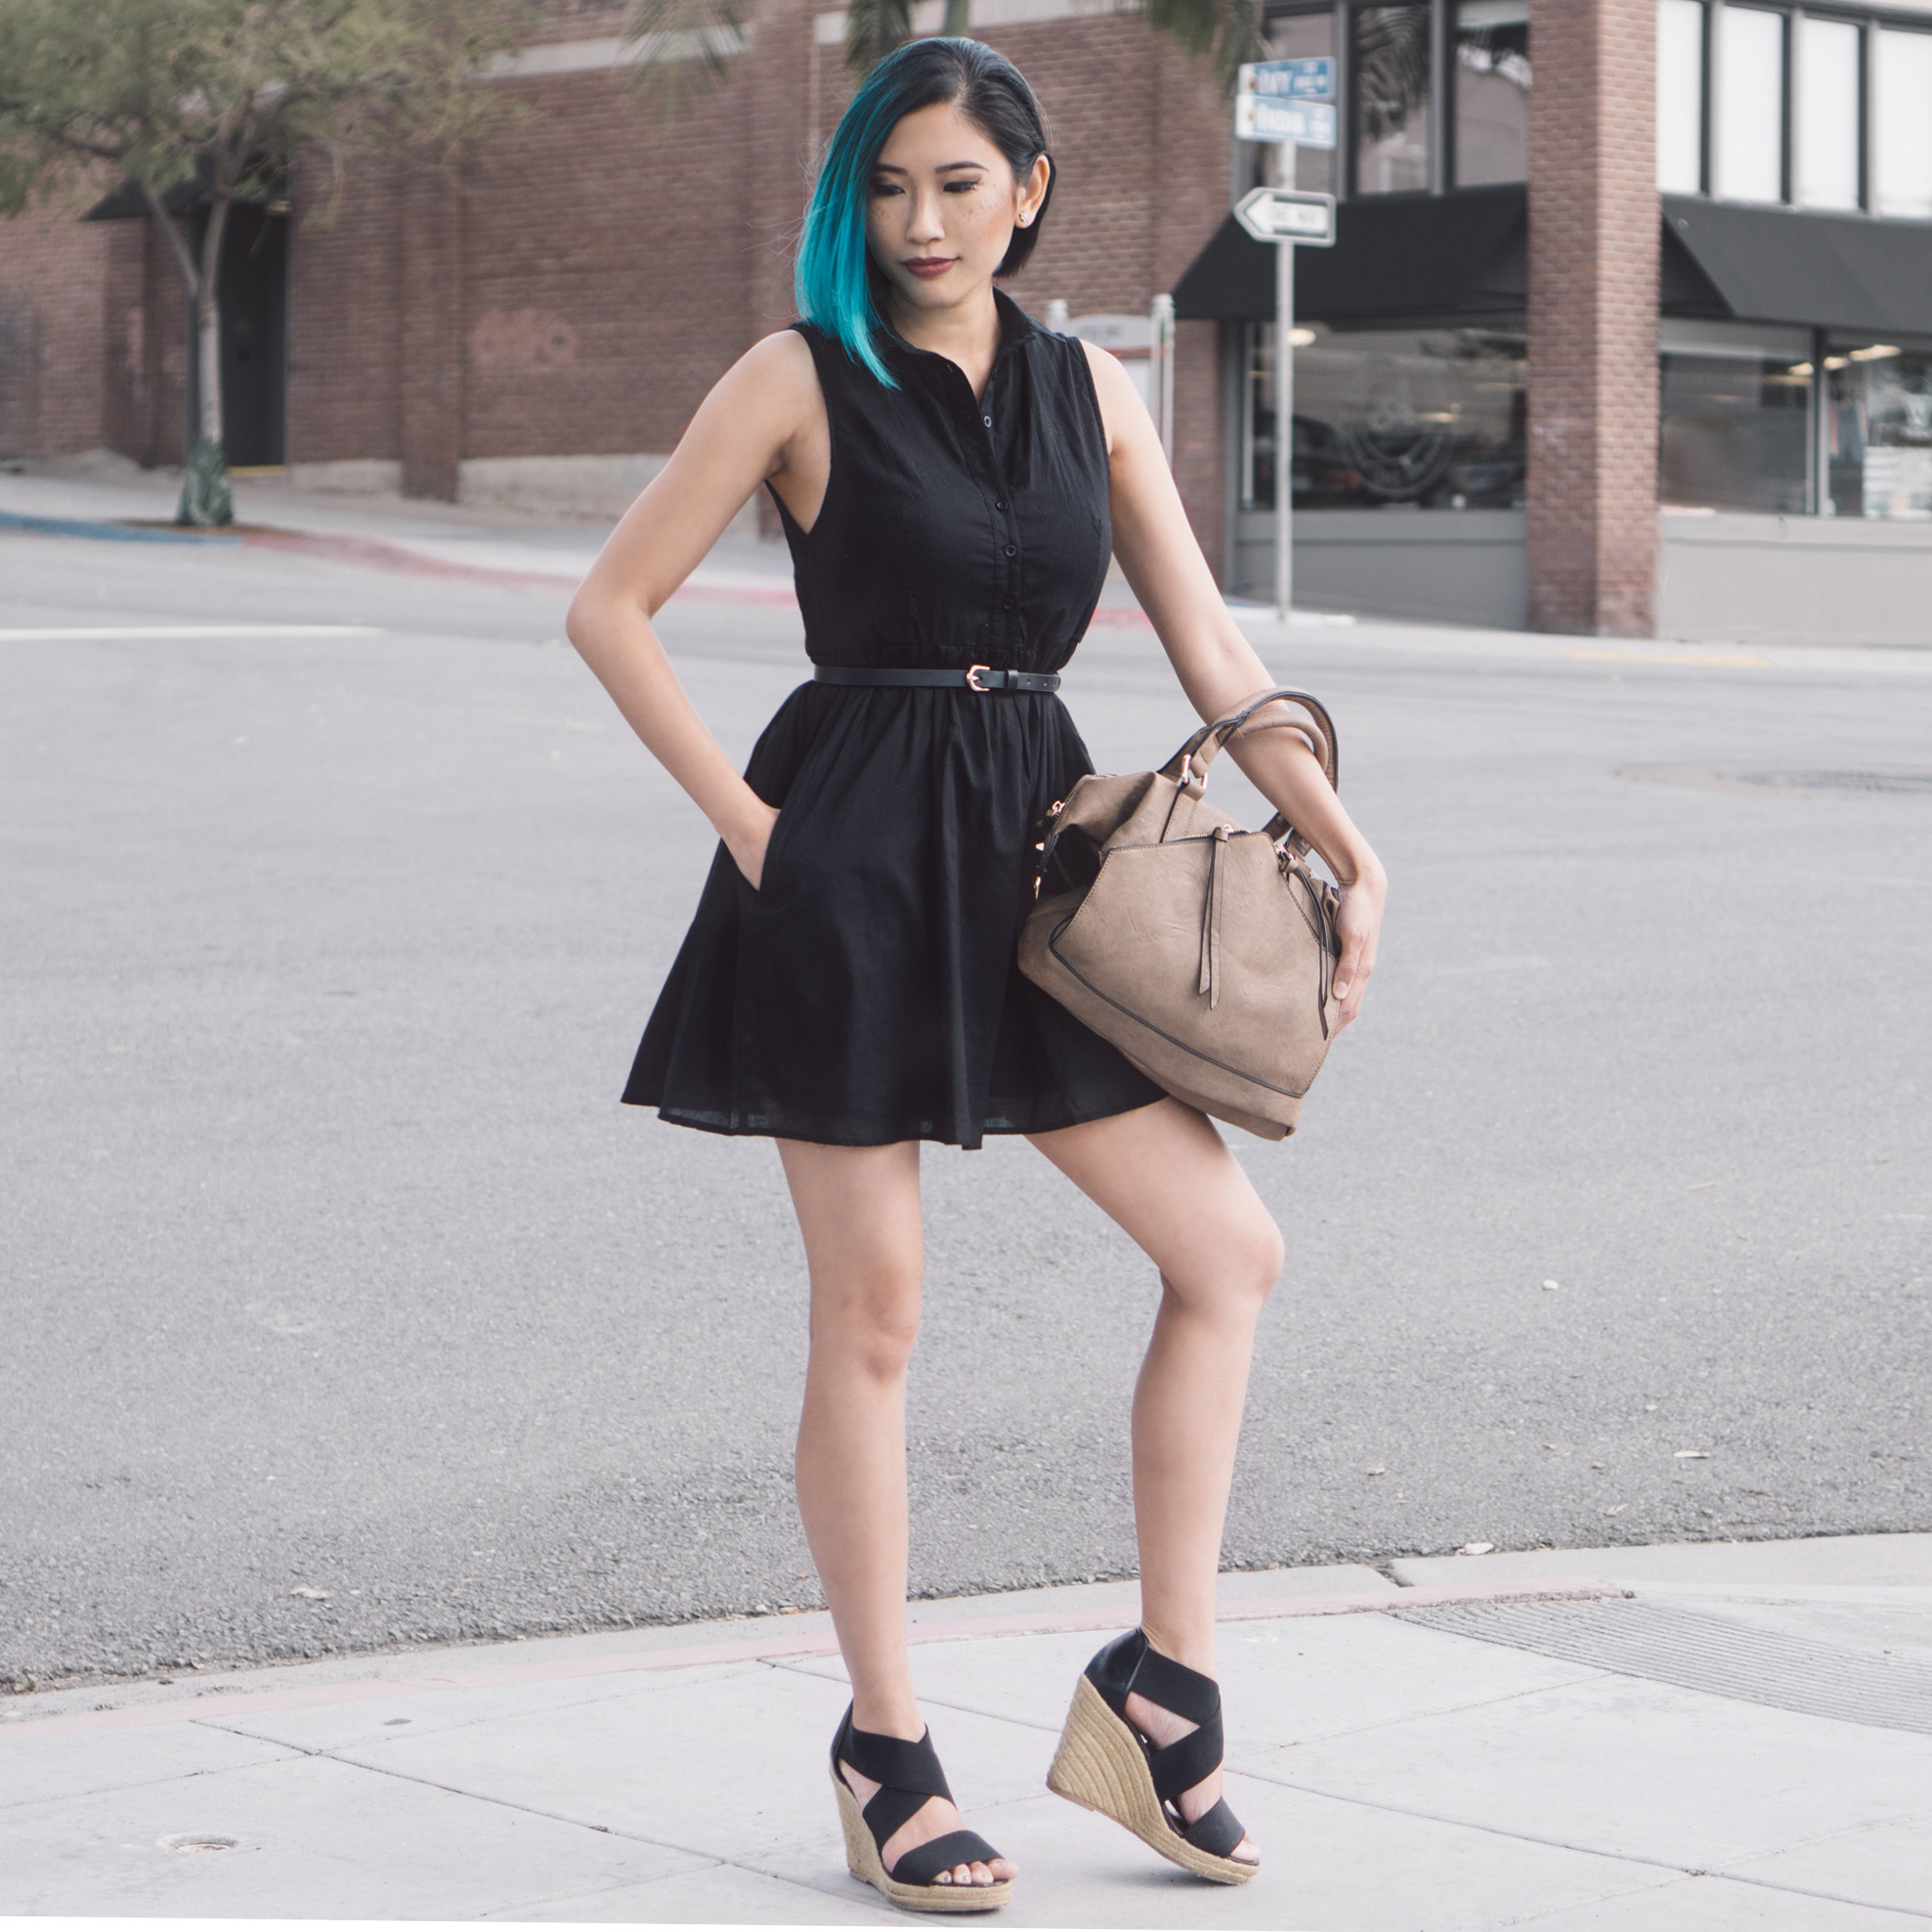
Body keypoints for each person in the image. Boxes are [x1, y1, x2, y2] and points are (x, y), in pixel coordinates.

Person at [567, 36, 1386, 1912]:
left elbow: (1205, 641)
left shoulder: (1087, 386)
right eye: (886, 184)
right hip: (843, 853)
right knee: (875, 1311)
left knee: (1225, 1250)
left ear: (1027, 194)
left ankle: (1160, 1691)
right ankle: (885, 1744)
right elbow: (607, 605)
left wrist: (1346, 843)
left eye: (956, 183)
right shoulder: (796, 373)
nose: (919, 220)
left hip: (1041, 862)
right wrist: (754, 828)